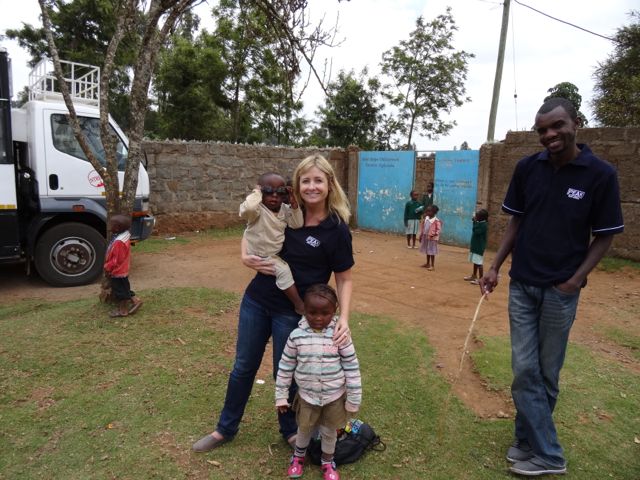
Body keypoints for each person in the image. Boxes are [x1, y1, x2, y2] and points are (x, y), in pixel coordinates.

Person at [478, 98, 624, 477]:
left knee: (547, 373)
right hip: (522, 285)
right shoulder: (527, 168)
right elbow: (516, 222)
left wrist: (574, 280)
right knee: (525, 369)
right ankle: (534, 444)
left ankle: (542, 451)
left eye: (557, 126)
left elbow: (605, 236)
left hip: (561, 291)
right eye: (542, 129)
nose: (549, 135)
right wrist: (494, 267)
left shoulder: (600, 174)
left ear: (576, 123)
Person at [192, 154, 355, 453]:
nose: (311, 187)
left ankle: (290, 431)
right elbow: (251, 227)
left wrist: (343, 318)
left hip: (292, 312)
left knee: (287, 372)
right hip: (257, 301)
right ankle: (224, 429)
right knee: (243, 367)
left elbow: (344, 278)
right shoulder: (282, 208)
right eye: (305, 180)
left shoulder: (336, 229)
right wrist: (244, 255)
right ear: (297, 184)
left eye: (318, 180)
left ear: (330, 184)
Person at [276, 284, 361, 480]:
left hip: (334, 397)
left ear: (335, 310)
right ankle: (298, 457)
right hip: (307, 397)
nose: (318, 318)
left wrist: (354, 399)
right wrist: (281, 396)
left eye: (325, 313)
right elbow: (285, 367)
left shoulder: (340, 336)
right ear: (304, 310)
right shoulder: (296, 337)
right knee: (304, 429)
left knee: (329, 431)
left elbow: (352, 367)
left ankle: (327, 461)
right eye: (312, 312)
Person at [240, 172, 305, 314]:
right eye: (268, 191)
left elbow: (297, 224)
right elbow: (248, 208)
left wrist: (294, 205)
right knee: (284, 271)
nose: (274, 196)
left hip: (272, 254)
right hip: (259, 253)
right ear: (261, 192)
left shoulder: (285, 210)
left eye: (280, 192)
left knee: (281, 269)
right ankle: (298, 304)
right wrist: (256, 192)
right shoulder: (257, 210)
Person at [103, 214, 143, 318]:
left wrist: (107, 267)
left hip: (118, 271)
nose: (109, 226)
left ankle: (123, 311)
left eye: (111, 224)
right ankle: (136, 301)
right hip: (123, 269)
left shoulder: (119, 242)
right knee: (124, 289)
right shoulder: (125, 236)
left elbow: (116, 260)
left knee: (120, 292)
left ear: (117, 228)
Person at [464, 209, 489, 285]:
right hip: (475, 246)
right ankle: (474, 276)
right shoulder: (480, 223)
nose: (475, 217)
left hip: (479, 247)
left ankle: (481, 279)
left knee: (479, 263)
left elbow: (476, 231)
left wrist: (474, 222)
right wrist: (475, 222)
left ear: (481, 218)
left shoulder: (484, 225)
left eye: (477, 216)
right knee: (475, 261)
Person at [418, 205, 442, 270]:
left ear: (434, 212)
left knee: (431, 251)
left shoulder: (436, 221)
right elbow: (423, 227)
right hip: (425, 237)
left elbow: (438, 230)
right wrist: (421, 235)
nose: (427, 212)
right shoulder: (426, 219)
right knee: (427, 250)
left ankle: (432, 266)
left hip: (432, 238)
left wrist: (434, 234)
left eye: (429, 211)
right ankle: (427, 263)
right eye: (427, 211)